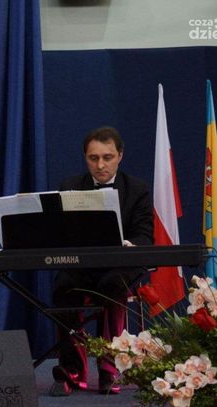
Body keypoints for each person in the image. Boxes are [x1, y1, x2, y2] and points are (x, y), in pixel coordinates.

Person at [52, 126, 153, 395]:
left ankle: (110, 368)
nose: (100, 165)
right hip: (83, 265)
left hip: (121, 265)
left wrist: (128, 245)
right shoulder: (70, 187)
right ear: (85, 158)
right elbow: (61, 233)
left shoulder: (137, 189)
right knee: (63, 287)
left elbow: (145, 236)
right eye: (93, 158)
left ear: (120, 156)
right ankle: (73, 368)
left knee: (112, 285)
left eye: (107, 157)